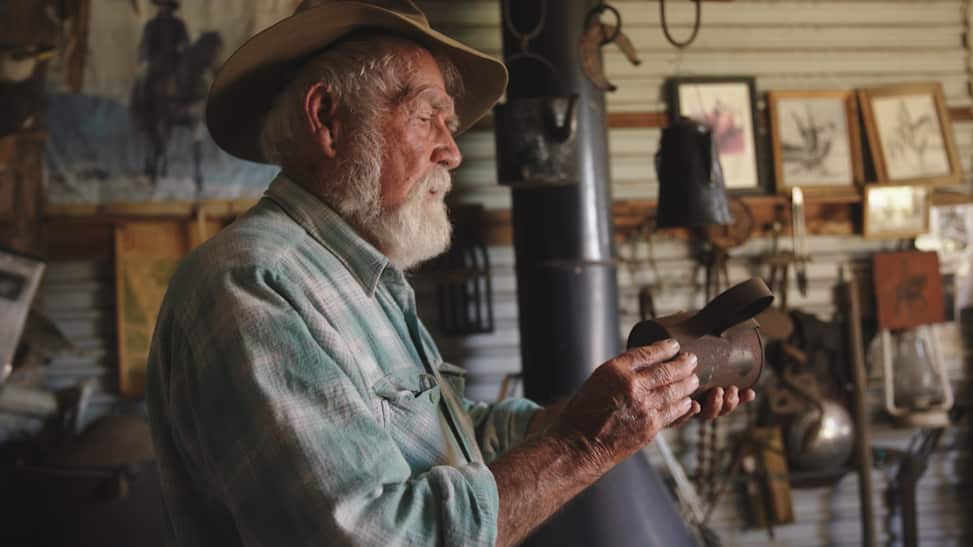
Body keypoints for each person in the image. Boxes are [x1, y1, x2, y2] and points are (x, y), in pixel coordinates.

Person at [145, 1, 755, 546]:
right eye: (425, 117)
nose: (452, 151)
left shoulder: (361, 276)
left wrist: (624, 407)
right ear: (327, 118)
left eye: (450, 124)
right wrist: (582, 444)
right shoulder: (254, 283)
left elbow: (455, 438)